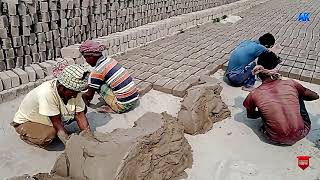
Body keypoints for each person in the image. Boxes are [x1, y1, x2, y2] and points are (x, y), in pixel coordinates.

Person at [243, 52, 319, 146]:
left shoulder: (254, 94)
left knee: (264, 106)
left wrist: (267, 110)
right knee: (298, 93)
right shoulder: (291, 84)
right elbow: (315, 96)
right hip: (302, 132)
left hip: (274, 138)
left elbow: (251, 116)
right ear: (276, 69)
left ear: (258, 72)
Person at [10, 64, 92, 148]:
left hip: (49, 117)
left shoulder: (73, 91)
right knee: (50, 134)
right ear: (63, 88)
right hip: (26, 122)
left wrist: (89, 138)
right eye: (73, 93)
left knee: (83, 109)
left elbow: (80, 115)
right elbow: (57, 123)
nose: (75, 95)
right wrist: (70, 146)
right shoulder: (46, 93)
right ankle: (27, 136)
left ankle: (53, 128)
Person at [80, 40, 139, 114]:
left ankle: (116, 108)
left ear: (91, 57)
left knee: (98, 85)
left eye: (86, 58)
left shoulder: (97, 72)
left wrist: (83, 97)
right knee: (100, 80)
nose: (86, 61)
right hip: (135, 98)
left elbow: (89, 96)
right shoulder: (110, 60)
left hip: (124, 105)